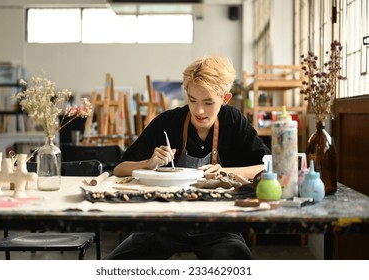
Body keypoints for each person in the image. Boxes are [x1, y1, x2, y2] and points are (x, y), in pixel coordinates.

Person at [106, 55, 270, 260]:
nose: (199, 111)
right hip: (165, 223)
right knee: (114, 265)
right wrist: (148, 164)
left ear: (225, 99)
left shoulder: (234, 122)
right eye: (192, 100)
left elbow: (269, 167)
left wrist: (228, 172)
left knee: (238, 261)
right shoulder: (169, 121)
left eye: (208, 102)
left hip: (218, 225)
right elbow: (120, 169)